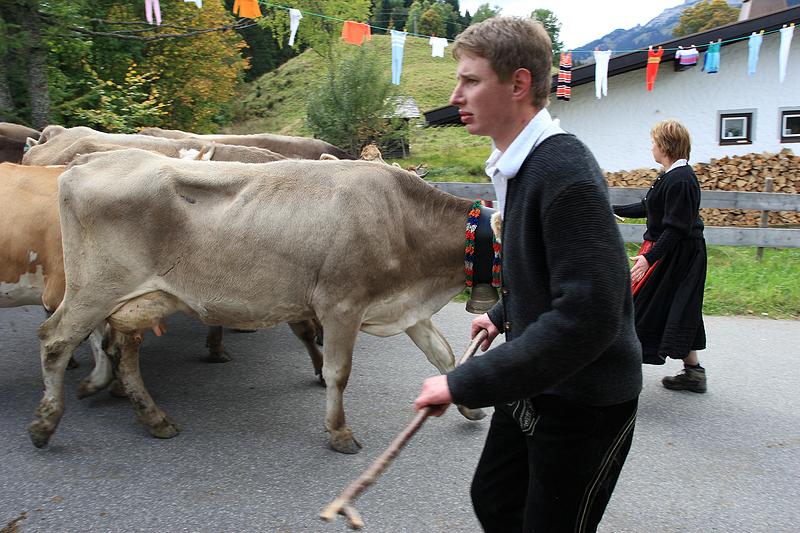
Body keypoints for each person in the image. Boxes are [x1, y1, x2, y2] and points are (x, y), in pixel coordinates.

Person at [413, 17, 642, 533]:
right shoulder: (520, 165)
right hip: (537, 379)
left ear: (517, 84)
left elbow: (588, 315)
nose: (456, 95)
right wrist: (503, 312)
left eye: (471, 80)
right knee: (496, 500)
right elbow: (544, 268)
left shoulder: (565, 173)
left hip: (585, 400)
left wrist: (464, 381)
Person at [613, 119, 708, 392]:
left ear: (665, 145)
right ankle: (694, 373)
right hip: (667, 251)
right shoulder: (670, 175)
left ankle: (619, 372)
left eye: (654, 142)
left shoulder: (681, 180)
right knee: (678, 309)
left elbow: (677, 228)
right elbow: (648, 206)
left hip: (677, 256)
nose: (651, 147)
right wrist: (611, 208)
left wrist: (649, 258)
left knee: (642, 306)